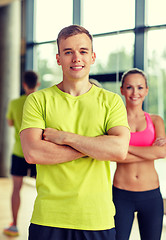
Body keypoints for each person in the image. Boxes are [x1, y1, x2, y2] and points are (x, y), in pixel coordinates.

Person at [20, 25, 130, 240]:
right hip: (48, 217)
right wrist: (97, 146)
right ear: (59, 58)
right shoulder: (38, 100)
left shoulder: (111, 101)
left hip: (97, 218)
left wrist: (64, 138)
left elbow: (119, 150)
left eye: (83, 51)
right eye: (68, 52)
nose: (76, 58)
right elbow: (33, 153)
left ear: (93, 56)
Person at [113, 68, 166, 240]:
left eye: (140, 87)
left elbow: (162, 152)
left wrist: (125, 147)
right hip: (121, 194)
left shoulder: (156, 120)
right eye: (129, 87)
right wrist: (150, 151)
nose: (135, 92)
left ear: (147, 90)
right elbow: (113, 155)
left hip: (151, 195)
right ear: (122, 90)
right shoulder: (114, 122)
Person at [4, 71, 40, 237]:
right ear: (37, 84)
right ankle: (44, 225)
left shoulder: (15, 103)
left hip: (19, 151)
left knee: (16, 188)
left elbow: (10, 123)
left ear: (24, 84)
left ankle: (14, 225)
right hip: (37, 152)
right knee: (44, 189)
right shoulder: (41, 101)